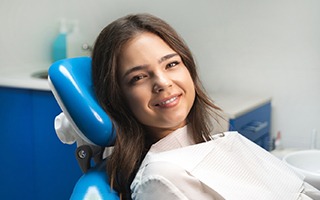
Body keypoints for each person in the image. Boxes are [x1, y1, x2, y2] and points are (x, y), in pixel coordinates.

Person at [91, 13, 319, 200]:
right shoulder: (161, 179)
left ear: (188, 68)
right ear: (117, 97)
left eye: (171, 64)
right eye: (138, 77)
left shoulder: (223, 141)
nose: (162, 82)